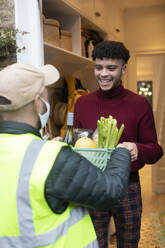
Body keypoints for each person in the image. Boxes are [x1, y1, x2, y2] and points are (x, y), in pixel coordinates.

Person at [0, 62, 131, 248]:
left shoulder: (39, 152)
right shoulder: (50, 157)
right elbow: (110, 191)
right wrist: (122, 152)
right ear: (37, 102)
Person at [74, 40, 163, 248]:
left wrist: (138, 149)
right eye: (99, 67)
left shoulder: (139, 104)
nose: (103, 74)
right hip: (92, 184)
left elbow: (155, 150)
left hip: (127, 185)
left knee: (129, 243)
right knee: (93, 243)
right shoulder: (82, 103)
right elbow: (76, 140)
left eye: (111, 68)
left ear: (123, 69)